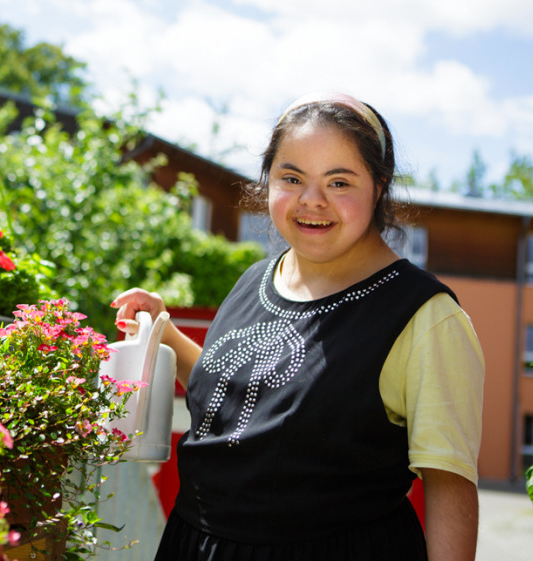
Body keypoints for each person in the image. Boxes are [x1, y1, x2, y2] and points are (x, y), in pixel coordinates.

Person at [112, 92, 484, 561]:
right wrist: (162, 331)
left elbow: (450, 487)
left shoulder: (423, 315)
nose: (312, 201)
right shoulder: (256, 279)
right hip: (194, 543)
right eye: (292, 178)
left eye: (340, 182)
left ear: (379, 186)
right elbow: (236, 395)